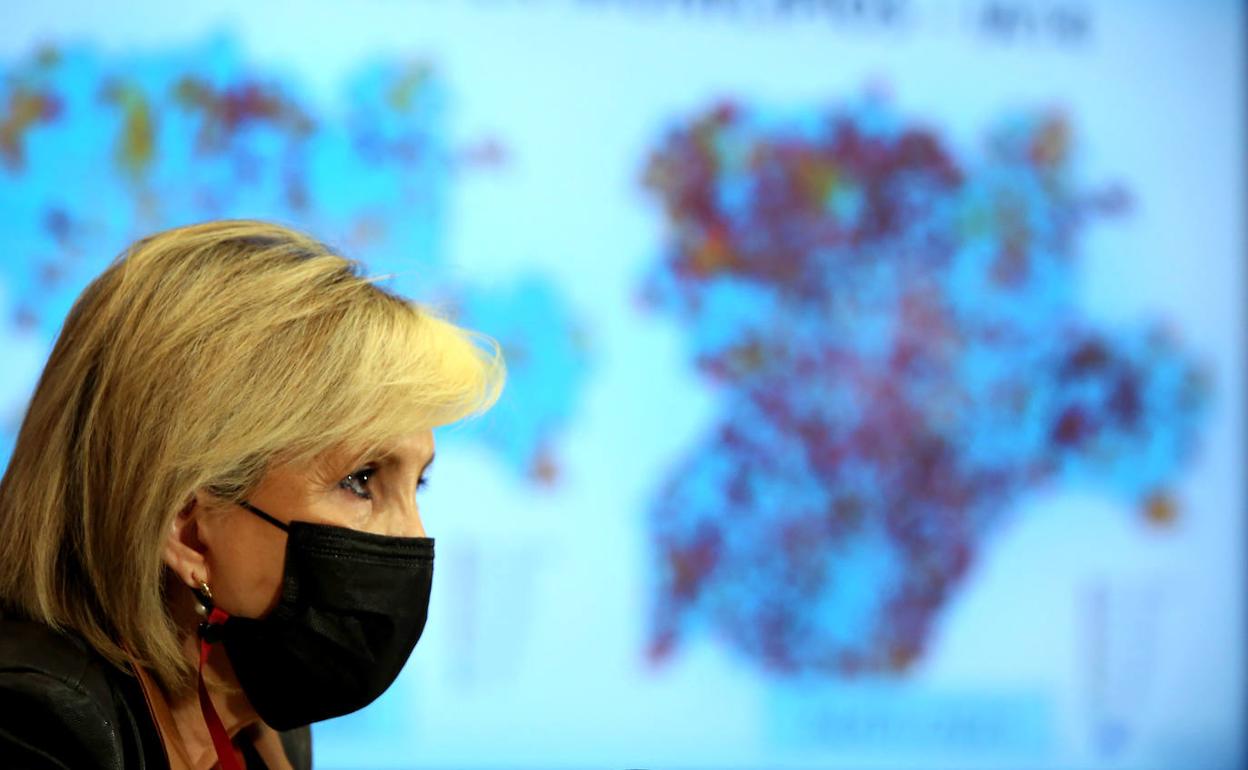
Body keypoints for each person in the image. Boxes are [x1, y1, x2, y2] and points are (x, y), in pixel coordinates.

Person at [0, 220, 505, 768]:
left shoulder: (264, 713)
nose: (413, 537)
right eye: (360, 480)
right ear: (188, 529)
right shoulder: (34, 724)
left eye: (417, 482)